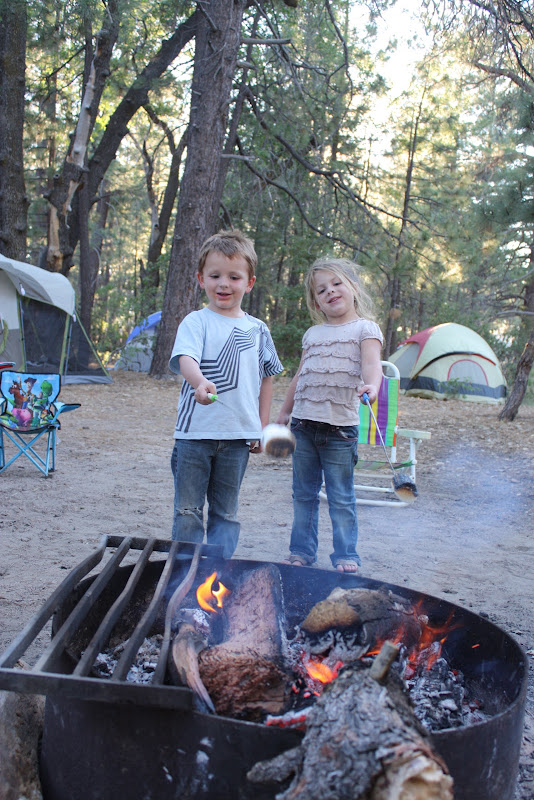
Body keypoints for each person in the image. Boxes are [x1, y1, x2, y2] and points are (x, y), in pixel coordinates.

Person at [169, 229, 283, 558]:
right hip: (194, 435)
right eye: (215, 275)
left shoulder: (258, 329)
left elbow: (266, 379)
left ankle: (218, 572)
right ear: (200, 279)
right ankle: (185, 572)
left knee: (226, 513)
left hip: (237, 439)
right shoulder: (196, 322)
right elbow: (186, 358)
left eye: (234, 277)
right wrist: (199, 382)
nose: (224, 284)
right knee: (188, 511)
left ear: (249, 283)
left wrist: (261, 426)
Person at [276, 257, 383, 573]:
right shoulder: (312, 333)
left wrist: (372, 386)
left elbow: (372, 365)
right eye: (322, 290)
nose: (331, 291)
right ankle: (301, 551)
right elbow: (300, 375)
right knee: (303, 494)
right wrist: (284, 412)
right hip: (303, 425)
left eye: (337, 284)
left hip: (339, 430)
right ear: (316, 302)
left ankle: (346, 554)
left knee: (340, 496)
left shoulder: (365, 328)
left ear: (354, 287)